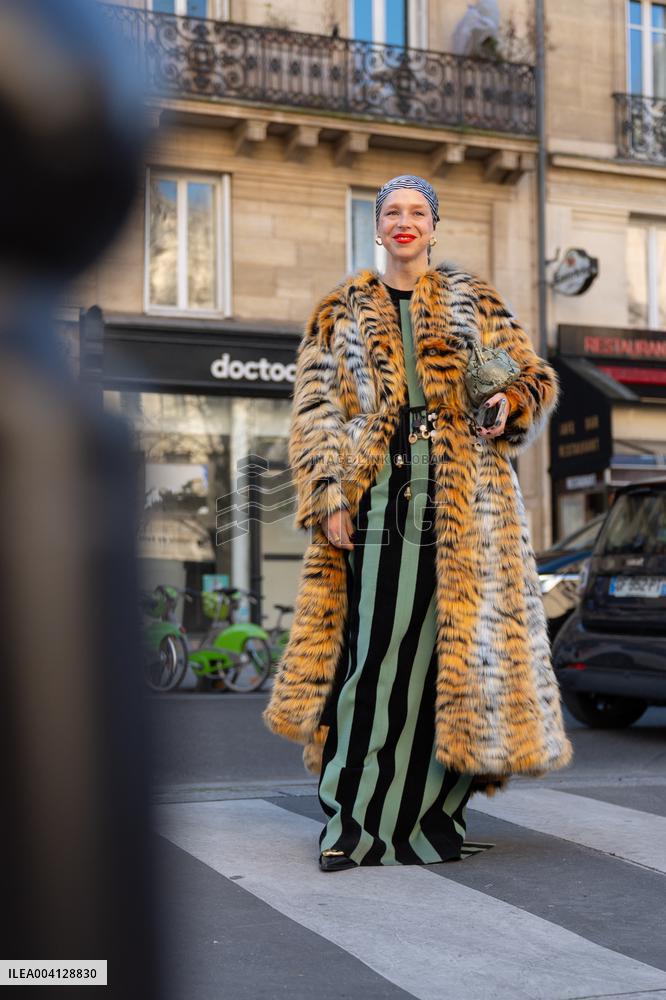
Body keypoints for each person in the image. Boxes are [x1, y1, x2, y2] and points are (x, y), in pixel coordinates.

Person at [264, 174, 573, 872]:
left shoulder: (475, 301)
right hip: (379, 492)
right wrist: (328, 494)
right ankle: (351, 818)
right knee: (375, 655)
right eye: (392, 213)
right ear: (377, 230)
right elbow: (317, 415)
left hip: (470, 498)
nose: (405, 223)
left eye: (417, 212)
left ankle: (433, 817)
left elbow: (533, 379)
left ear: (435, 226)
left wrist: (509, 405)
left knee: (451, 661)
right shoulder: (338, 312)